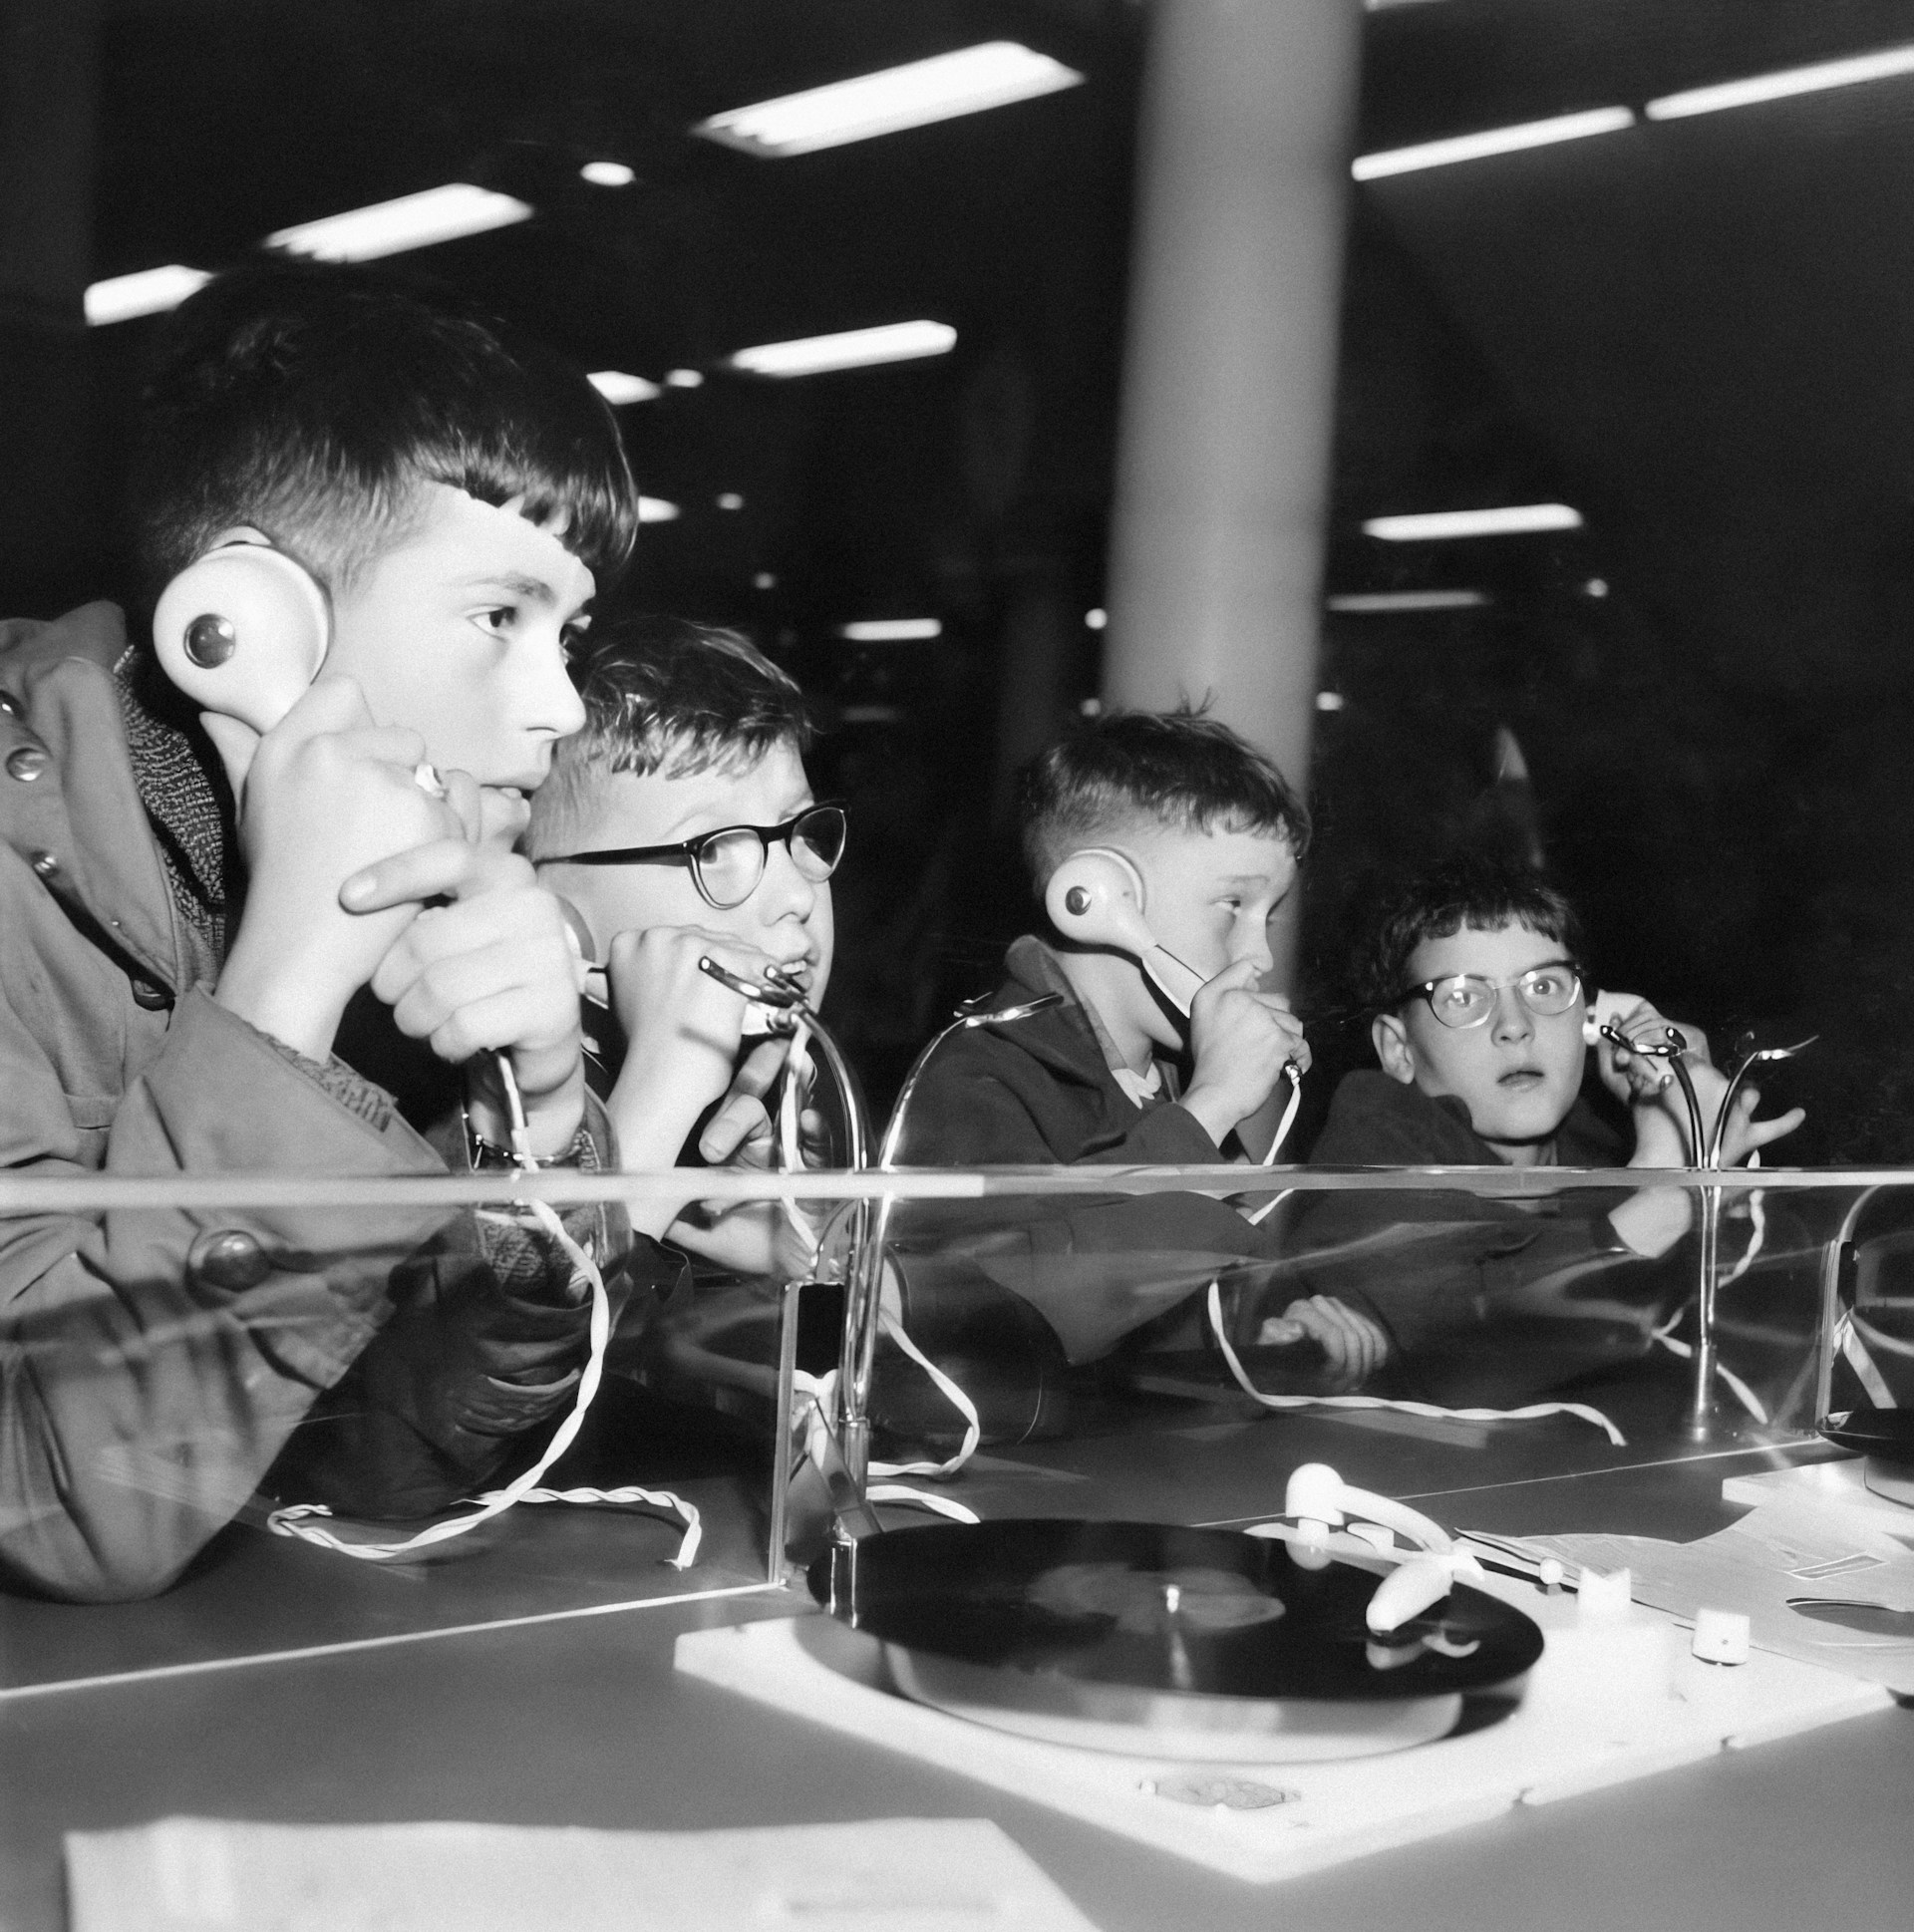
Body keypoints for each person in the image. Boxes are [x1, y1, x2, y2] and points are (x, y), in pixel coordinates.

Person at [0, 260, 659, 1601]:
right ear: (242, 628)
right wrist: (285, 992)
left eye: (571, 635)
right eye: (498, 618)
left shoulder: (426, 906)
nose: (564, 709)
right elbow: (70, 1509)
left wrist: (529, 1116)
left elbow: (394, 1469)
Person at [894, 707, 1388, 1388]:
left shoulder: (1180, 1080)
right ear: (1097, 900)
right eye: (1232, 908)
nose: (1260, 955)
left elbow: (1195, 1326)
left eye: (1269, 917)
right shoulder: (978, 1077)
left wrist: (1281, 1339)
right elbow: (1018, 1321)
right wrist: (1210, 1108)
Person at [1292, 853, 1805, 1407]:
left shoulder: (1594, 1150)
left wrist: (1676, 1104)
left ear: (1589, 1016)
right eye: (1463, 996)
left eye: (1544, 987)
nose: (1515, 1026)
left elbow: (1790, 1324)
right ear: (1399, 1049)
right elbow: (1472, 1354)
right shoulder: (1367, 1158)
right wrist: (1674, 1182)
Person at [526, 615, 840, 1268]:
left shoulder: (780, 1110)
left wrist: (811, 1241)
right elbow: (521, 1345)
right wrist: (661, 1097)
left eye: (800, 831)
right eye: (716, 848)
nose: (799, 895)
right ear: (559, 923)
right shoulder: (483, 1119)